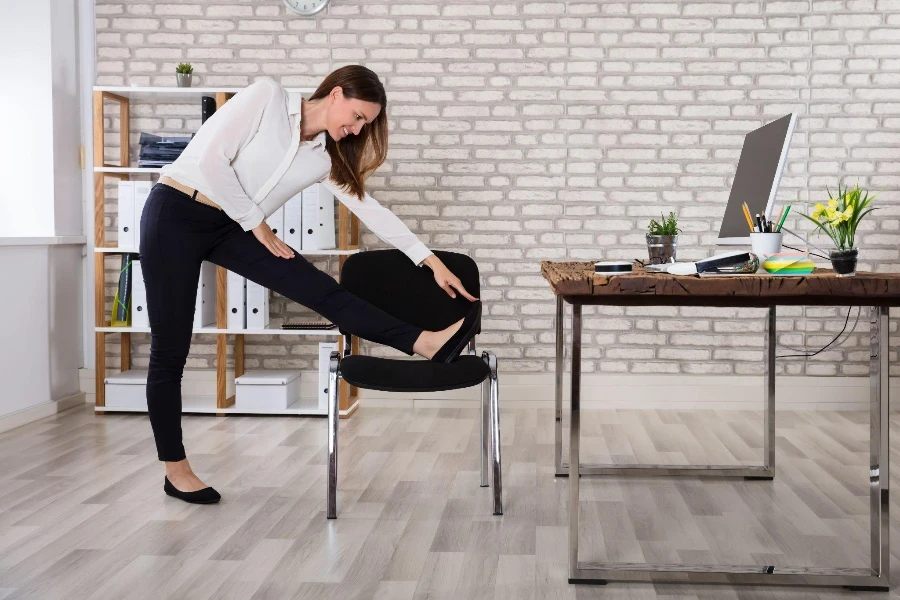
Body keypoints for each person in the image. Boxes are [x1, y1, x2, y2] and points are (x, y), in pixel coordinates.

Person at [140, 65, 481, 504]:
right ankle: (176, 469)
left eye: (365, 125)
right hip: (177, 211)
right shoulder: (266, 95)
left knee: (326, 292)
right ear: (335, 93)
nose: (356, 129)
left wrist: (428, 259)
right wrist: (257, 225)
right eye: (357, 116)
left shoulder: (322, 158)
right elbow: (211, 159)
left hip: (234, 227)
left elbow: (367, 206)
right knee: (170, 349)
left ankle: (426, 343)